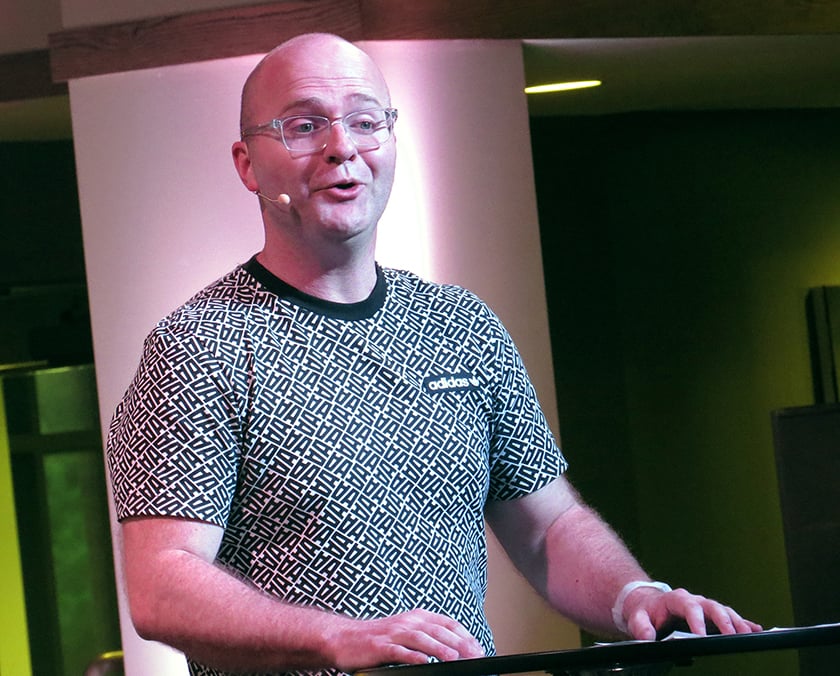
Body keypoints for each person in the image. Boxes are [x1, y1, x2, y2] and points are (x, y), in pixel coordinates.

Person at [106, 32, 762, 676]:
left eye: (365, 121)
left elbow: (547, 526)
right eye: (304, 125)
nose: (341, 149)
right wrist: (337, 637)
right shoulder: (197, 347)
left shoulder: (463, 325)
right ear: (248, 164)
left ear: (390, 143)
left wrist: (634, 597)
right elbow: (163, 584)